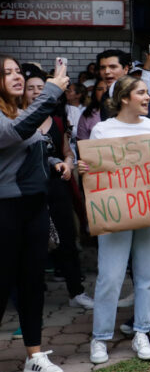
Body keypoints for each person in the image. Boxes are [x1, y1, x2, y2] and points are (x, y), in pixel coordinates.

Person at [80, 76, 150, 363]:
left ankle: (142, 332)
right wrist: (85, 167)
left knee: (146, 276)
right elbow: (97, 170)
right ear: (125, 97)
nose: (147, 97)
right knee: (110, 277)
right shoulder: (102, 131)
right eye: (141, 92)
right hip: (117, 212)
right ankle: (100, 338)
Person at [0, 56, 69, 372]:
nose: (16, 76)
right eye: (7, 73)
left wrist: (55, 161)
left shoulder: (18, 112)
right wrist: (53, 89)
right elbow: (15, 134)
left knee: (31, 285)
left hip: (35, 208)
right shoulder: (10, 119)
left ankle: (34, 357)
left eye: (17, 71)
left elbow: (31, 148)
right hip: (5, 209)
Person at [22, 70, 90, 310]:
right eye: (30, 88)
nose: (36, 92)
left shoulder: (58, 121)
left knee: (67, 238)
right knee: (33, 243)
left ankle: (76, 291)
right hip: (28, 189)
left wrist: (69, 164)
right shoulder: (17, 120)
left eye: (41, 87)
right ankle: (33, 298)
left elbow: (66, 151)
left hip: (57, 185)